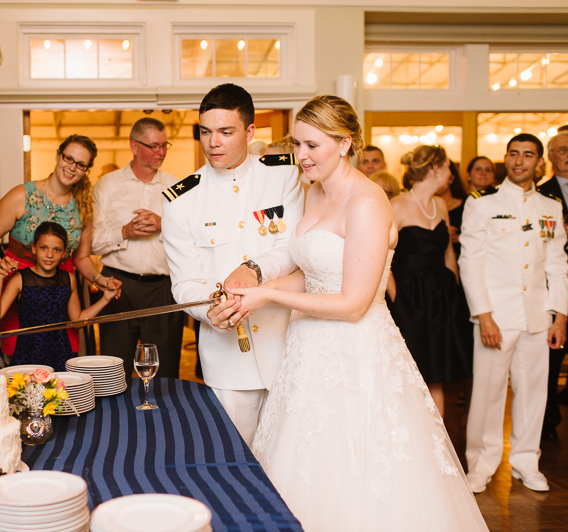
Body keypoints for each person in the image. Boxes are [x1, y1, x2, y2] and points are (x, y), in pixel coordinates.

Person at [225, 95, 487, 531]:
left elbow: (352, 303)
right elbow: (311, 273)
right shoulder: (313, 193)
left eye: (313, 145)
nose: (301, 156)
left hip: (356, 353)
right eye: (298, 145)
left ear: (345, 143)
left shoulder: (367, 202)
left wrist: (268, 299)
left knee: (362, 470)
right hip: (308, 352)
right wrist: (251, 291)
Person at [161, 83, 304, 445]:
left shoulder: (284, 175)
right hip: (226, 357)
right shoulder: (181, 200)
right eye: (205, 132)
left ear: (250, 131)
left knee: (293, 454)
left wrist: (254, 269)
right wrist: (209, 310)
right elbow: (184, 283)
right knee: (236, 458)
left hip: (287, 342)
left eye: (226, 132)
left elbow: (294, 247)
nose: (213, 143)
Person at [459, 133, 568, 494]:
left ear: (540, 163)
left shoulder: (550, 207)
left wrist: (560, 316)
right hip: (496, 317)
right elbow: (470, 263)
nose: (520, 161)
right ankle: (481, 462)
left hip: (537, 315)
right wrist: (484, 314)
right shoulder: (483, 203)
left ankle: (525, 460)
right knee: (489, 393)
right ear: (506, 158)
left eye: (528, 155)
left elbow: (558, 265)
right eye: (514, 154)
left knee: (534, 393)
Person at [0, 135, 121, 358]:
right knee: (22, 356)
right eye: (68, 158)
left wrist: (100, 281)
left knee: (61, 355)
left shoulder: (83, 207)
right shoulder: (22, 195)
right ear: (58, 155)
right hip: (21, 286)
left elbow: (81, 258)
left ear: (86, 169)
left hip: (61, 290)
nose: (72, 167)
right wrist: (1, 267)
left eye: (80, 164)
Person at [91, 118, 183, 380]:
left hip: (164, 288)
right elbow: (92, 243)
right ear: (134, 146)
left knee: (165, 370)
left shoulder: (177, 187)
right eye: (154, 146)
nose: (161, 152)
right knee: (113, 369)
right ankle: (115, 422)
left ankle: (164, 420)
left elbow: (194, 238)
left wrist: (164, 224)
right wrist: (125, 232)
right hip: (118, 287)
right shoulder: (107, 185)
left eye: (165, 145)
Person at [388, 145, 473, 417]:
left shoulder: (440, 205)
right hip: (408, 298)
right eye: (449, 167)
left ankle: (439, 450)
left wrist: (455, 296)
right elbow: (380, 259)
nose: (451, 174)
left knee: (437, 374)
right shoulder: (397, 205)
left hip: (439, 298)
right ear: (435, 168)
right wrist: (397, 300)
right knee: (409, 373)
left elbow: (447, 252)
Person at [0, 222, 117, 371]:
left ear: (64, 253)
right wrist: (0, 278)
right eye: (44, 248)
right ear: (34, 248)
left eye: (57, 249)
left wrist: (105, 298)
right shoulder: (20, 279)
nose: (49, 254)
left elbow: (78, 321)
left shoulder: (69, 279)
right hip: (28, 354)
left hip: (60, 354)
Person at [532, 131, 568, 441]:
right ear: (551, 156)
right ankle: (546, 420)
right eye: (563, 150)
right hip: (554, 285)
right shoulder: (542, 196)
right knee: (551, 359)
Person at [438, 160, 469, 259]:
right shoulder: (425, 207)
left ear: (451, 178)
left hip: (461, 258)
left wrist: (459, 238)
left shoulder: (466, 205)